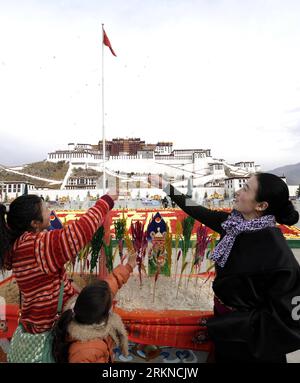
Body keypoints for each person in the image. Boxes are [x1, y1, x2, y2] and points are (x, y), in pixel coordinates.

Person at [153, 173, 300, 362]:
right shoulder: (232, 225)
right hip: (226, 332)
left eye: (246, 189)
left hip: (251, 343)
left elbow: (287, 316)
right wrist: (166, 186)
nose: (237, 192)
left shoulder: (277, 253)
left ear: (261, 205)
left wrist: (233, 323)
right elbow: (195, 209)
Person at [0, 193, 116, 335]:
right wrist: (105, 202)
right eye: (46, 209)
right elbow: (80, 231)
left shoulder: (19, 246)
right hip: (53, 326)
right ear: (34, 223)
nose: (50, 211)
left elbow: (45, 282)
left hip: (37, 321)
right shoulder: (37, 246)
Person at [52, 251, 136, 363]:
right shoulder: (86, 351)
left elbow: (111, 284)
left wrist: (129, 266)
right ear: (104, 315)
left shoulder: (81, 309)